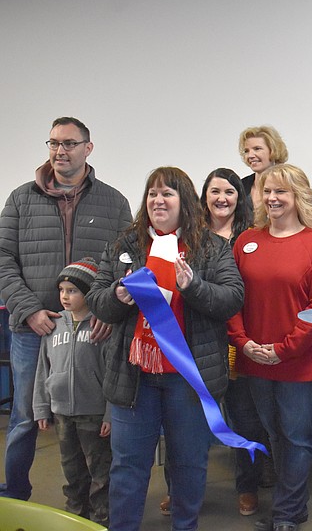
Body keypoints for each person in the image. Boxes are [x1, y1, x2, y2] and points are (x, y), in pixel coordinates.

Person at [86, 166, 244, 531]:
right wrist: (118, 295)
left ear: (184, 202)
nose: (158, 200)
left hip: (188, 381)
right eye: (152, 193)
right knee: (127, 464)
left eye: (167, 194)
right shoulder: (124, 245)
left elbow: (232, 299)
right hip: (134, 378)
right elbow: (97, 300)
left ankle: (185, 525)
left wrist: (193, 286)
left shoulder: (212, 247)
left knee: (189, 462)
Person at [0, 116, 131, 500]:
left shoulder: (114, 201)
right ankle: (17, 499)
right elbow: (3, 258)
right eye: (54, 143)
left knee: (99, 423)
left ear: (87, 149)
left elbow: (126, 262)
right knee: (26, 419)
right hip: (33, 329)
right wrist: (29, 310)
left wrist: (106, 312)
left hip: (95, 332)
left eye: (69, 143)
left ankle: (99, 503)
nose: (60, 151)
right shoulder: (21, 198)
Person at [228, 163, 312, 531]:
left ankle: (287, 514)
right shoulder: (246, 241)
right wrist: (244, 344)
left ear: (298, 197)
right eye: (267, 191)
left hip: (299, 361)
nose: (273, 198)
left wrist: (283, 349)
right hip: (255, 358)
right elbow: (234, 299)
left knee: (296, 438)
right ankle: (291, 508)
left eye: (282, 192)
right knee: (273, 434)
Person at [199, 167, 266, 517]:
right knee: (191, 421)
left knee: (245, 420)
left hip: (240, 340)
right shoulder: (190, 236)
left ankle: (248, 487)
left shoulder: (251, 236)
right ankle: (184, 489)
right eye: (215, 191)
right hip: (198, 341)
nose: (222, 198)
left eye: (229, 192)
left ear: (239, 198)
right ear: (204, 196)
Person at [32, 258, 111, 527]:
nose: (65, 296)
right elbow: (43, 371)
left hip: (93, 413)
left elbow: (111, 374)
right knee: (72, 470)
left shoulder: (102, 329)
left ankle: (102, 520)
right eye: (62, 290)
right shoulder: (52, 327)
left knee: (100, 472)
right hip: (62, 414)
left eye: (73, 290)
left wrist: (110, 414)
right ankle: (75, 517)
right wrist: (41, 408)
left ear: (89, 293)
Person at [238, 125, 289, 206]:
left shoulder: (289, 184)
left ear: (273, 150)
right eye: (246, 151)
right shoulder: (240, 187)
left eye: (257, 149)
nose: (250, 155)